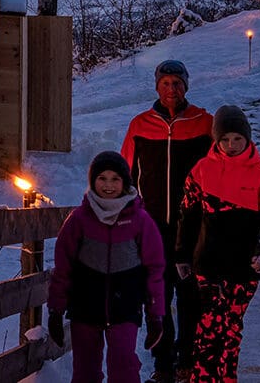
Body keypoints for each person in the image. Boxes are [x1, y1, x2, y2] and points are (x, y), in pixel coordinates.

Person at [175, 106, 260, 382]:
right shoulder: (201, 170)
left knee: (231, 328)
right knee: (209, 327)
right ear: (216, 140)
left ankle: (227, 378)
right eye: (225, 139)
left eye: (237, 139)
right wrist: (182, 255)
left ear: (247, 139)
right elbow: (187, 216)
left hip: (244, 266)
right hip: (208, 263)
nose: (231, 145)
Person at [121, 59, 213, 381]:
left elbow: (221, 170)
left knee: (190, 296)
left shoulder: (205, 123)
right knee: (157, 296)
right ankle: (163, 363)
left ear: (186, 85)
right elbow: (125, 177)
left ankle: (187, 358)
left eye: (177, 83)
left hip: (193, 227)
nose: (171, 89)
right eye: (165, 83)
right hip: (154, 227)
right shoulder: (140, 125)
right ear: (156, 87)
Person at [48, 151, 168, 383]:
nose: (109, 185)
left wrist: (156, 315)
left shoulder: (140, 221)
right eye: (102, 178)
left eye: (115, 179)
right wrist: (56, 309)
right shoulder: (79, 219)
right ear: (92, 181)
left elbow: (154, 270)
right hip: (85, 307)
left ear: (125, 182)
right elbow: (63, 268)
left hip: (125, 307)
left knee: (124, 367)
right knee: (85, 372)